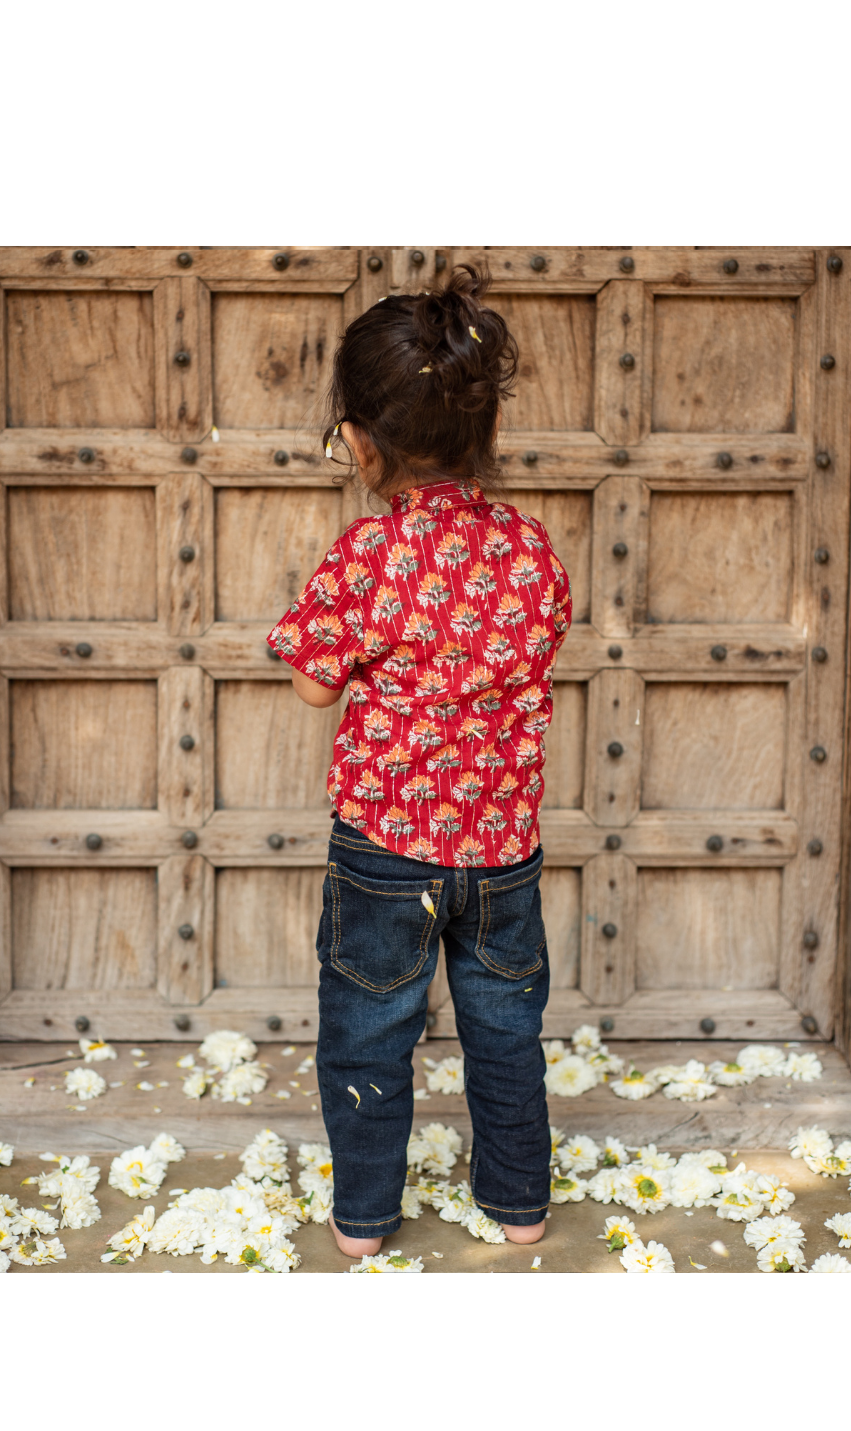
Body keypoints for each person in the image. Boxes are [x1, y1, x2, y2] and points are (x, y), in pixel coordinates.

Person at [266, 264, 572, 1257]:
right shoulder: (531, 550)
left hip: (385, 849)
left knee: (368, 1033)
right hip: (502, 847)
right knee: (506, 1033)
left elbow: (315, 687)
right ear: (486, 428)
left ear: (361, 441)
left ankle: (363, 1223)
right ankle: (520, 1209)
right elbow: (534, 650)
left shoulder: (366, 556)